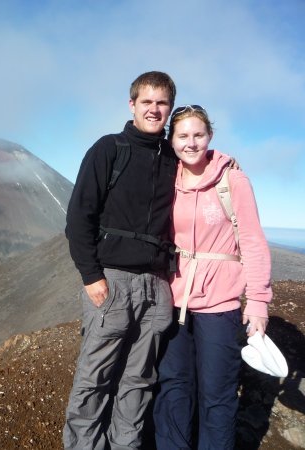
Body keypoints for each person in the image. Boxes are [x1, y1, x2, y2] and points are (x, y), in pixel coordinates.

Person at [63, 71, 177, 450]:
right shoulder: (109, 149)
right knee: (94, 379)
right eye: (147, 102)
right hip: (111, 284)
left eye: (161, 103)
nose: (154, 109)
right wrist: (91, 276)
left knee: (139, 381)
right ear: (132, 105)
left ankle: (126, 445)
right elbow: (80, 216)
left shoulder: (172, 158)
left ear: (170, 108)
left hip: (155, 287)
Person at [153, 105, 272, 449]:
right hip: (173, 298)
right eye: (183, 136)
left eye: (198, 135)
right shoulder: (165, 177)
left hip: (219, 300)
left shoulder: (232, 179)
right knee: (174, 386)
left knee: (217, 392)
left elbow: (251, 239)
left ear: (210, 137)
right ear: (171, 140)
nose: (191, 143)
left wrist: (259, 301)